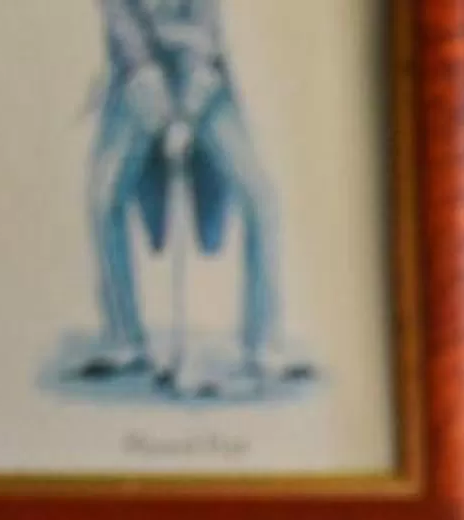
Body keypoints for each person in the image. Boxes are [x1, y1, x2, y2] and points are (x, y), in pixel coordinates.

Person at [80, 0, 310, 395]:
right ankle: (125, 339)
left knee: (262, 198)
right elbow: (125, 33)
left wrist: (186, 114)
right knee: (103, 195)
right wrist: (156, 104)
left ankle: (264, 343)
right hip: (137, 82)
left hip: (203, 80)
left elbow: (204, 34)